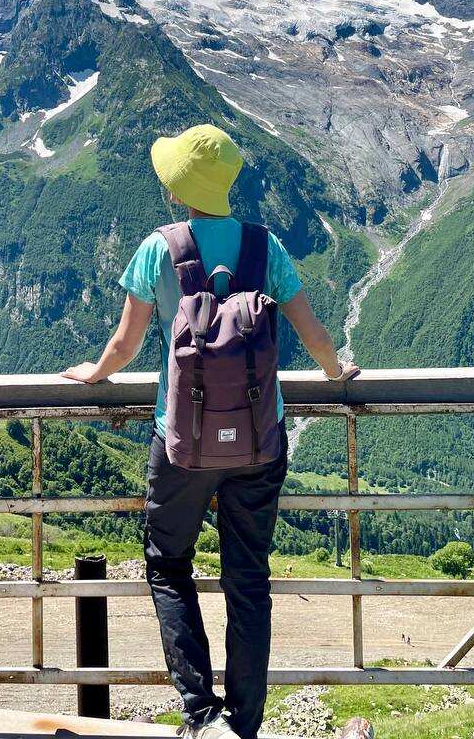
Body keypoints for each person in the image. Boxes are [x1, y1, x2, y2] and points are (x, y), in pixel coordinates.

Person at [63, 123, 359, 739]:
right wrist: (337, 371)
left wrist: (94, 373)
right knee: (247, 579)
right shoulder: (265, 246)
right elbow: (311, 332)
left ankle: (201, 714)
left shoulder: (159, 248)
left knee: (168, 563)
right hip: (259, 440)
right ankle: (244, 723)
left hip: (181, 444)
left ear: (178, 190)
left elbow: (125, 344)